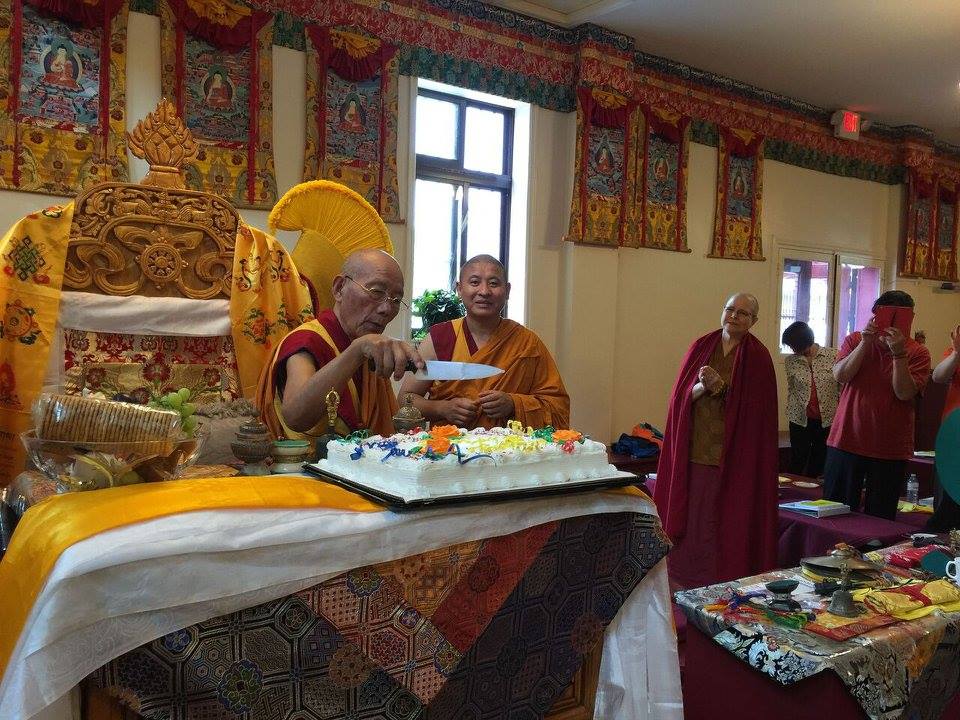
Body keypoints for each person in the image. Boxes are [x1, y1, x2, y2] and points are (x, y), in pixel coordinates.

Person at [653, 293, 779, 589]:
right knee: (692, 514)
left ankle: (722, 577)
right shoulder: (701, 346)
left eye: (743, 313)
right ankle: (681, 577)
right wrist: (700, 387)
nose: (734, 316)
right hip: (695, 447)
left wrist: (722, 389)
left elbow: (756, 413)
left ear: (754, 321)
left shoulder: (758, 357)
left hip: (734, 453)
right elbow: (679, 399)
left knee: (723, 518)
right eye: (730, 309)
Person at [256, 249, 424, 440]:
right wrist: (356, 351)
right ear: (339, 288)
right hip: (305, 466)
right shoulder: (307, 341)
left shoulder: (371, 349)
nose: (386, 308)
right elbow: (295, 417)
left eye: (396, 300)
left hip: (359, 465)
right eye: (376, 292)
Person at [398, 255, 570, 430]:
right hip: (450, 450)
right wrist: (443, 408)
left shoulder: (527, 343)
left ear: (507, 290)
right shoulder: (441, 337)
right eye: (474, 282)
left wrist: (513, 404)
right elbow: (405, 399)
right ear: (459, 289)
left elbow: (558, 407)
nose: (484, 291)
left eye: (494, 283)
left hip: (513, 452)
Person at [823, 290, 931, 519]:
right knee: (835, 514)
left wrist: (898, 354)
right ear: (874, 316)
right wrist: (865, 343)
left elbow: (904, 393)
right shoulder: (854, 340)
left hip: (889, 447)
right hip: (846, 439)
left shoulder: (917, 351)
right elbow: (840, 376)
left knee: (879, 520)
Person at [781, 321, 840, 478]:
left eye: (794, 345)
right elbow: (792, 388)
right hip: (799, 418)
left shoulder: (834, 355)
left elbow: (841, 386)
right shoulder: (791, 361)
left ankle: (814, 496)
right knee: (798, 457)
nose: (792, 349)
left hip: (827, 418)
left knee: (820, 458)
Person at [926, 324, 960, 530]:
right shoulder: (955, 353)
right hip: (952, 437)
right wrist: (957, 353)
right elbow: (938, 377)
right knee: (946, 506)